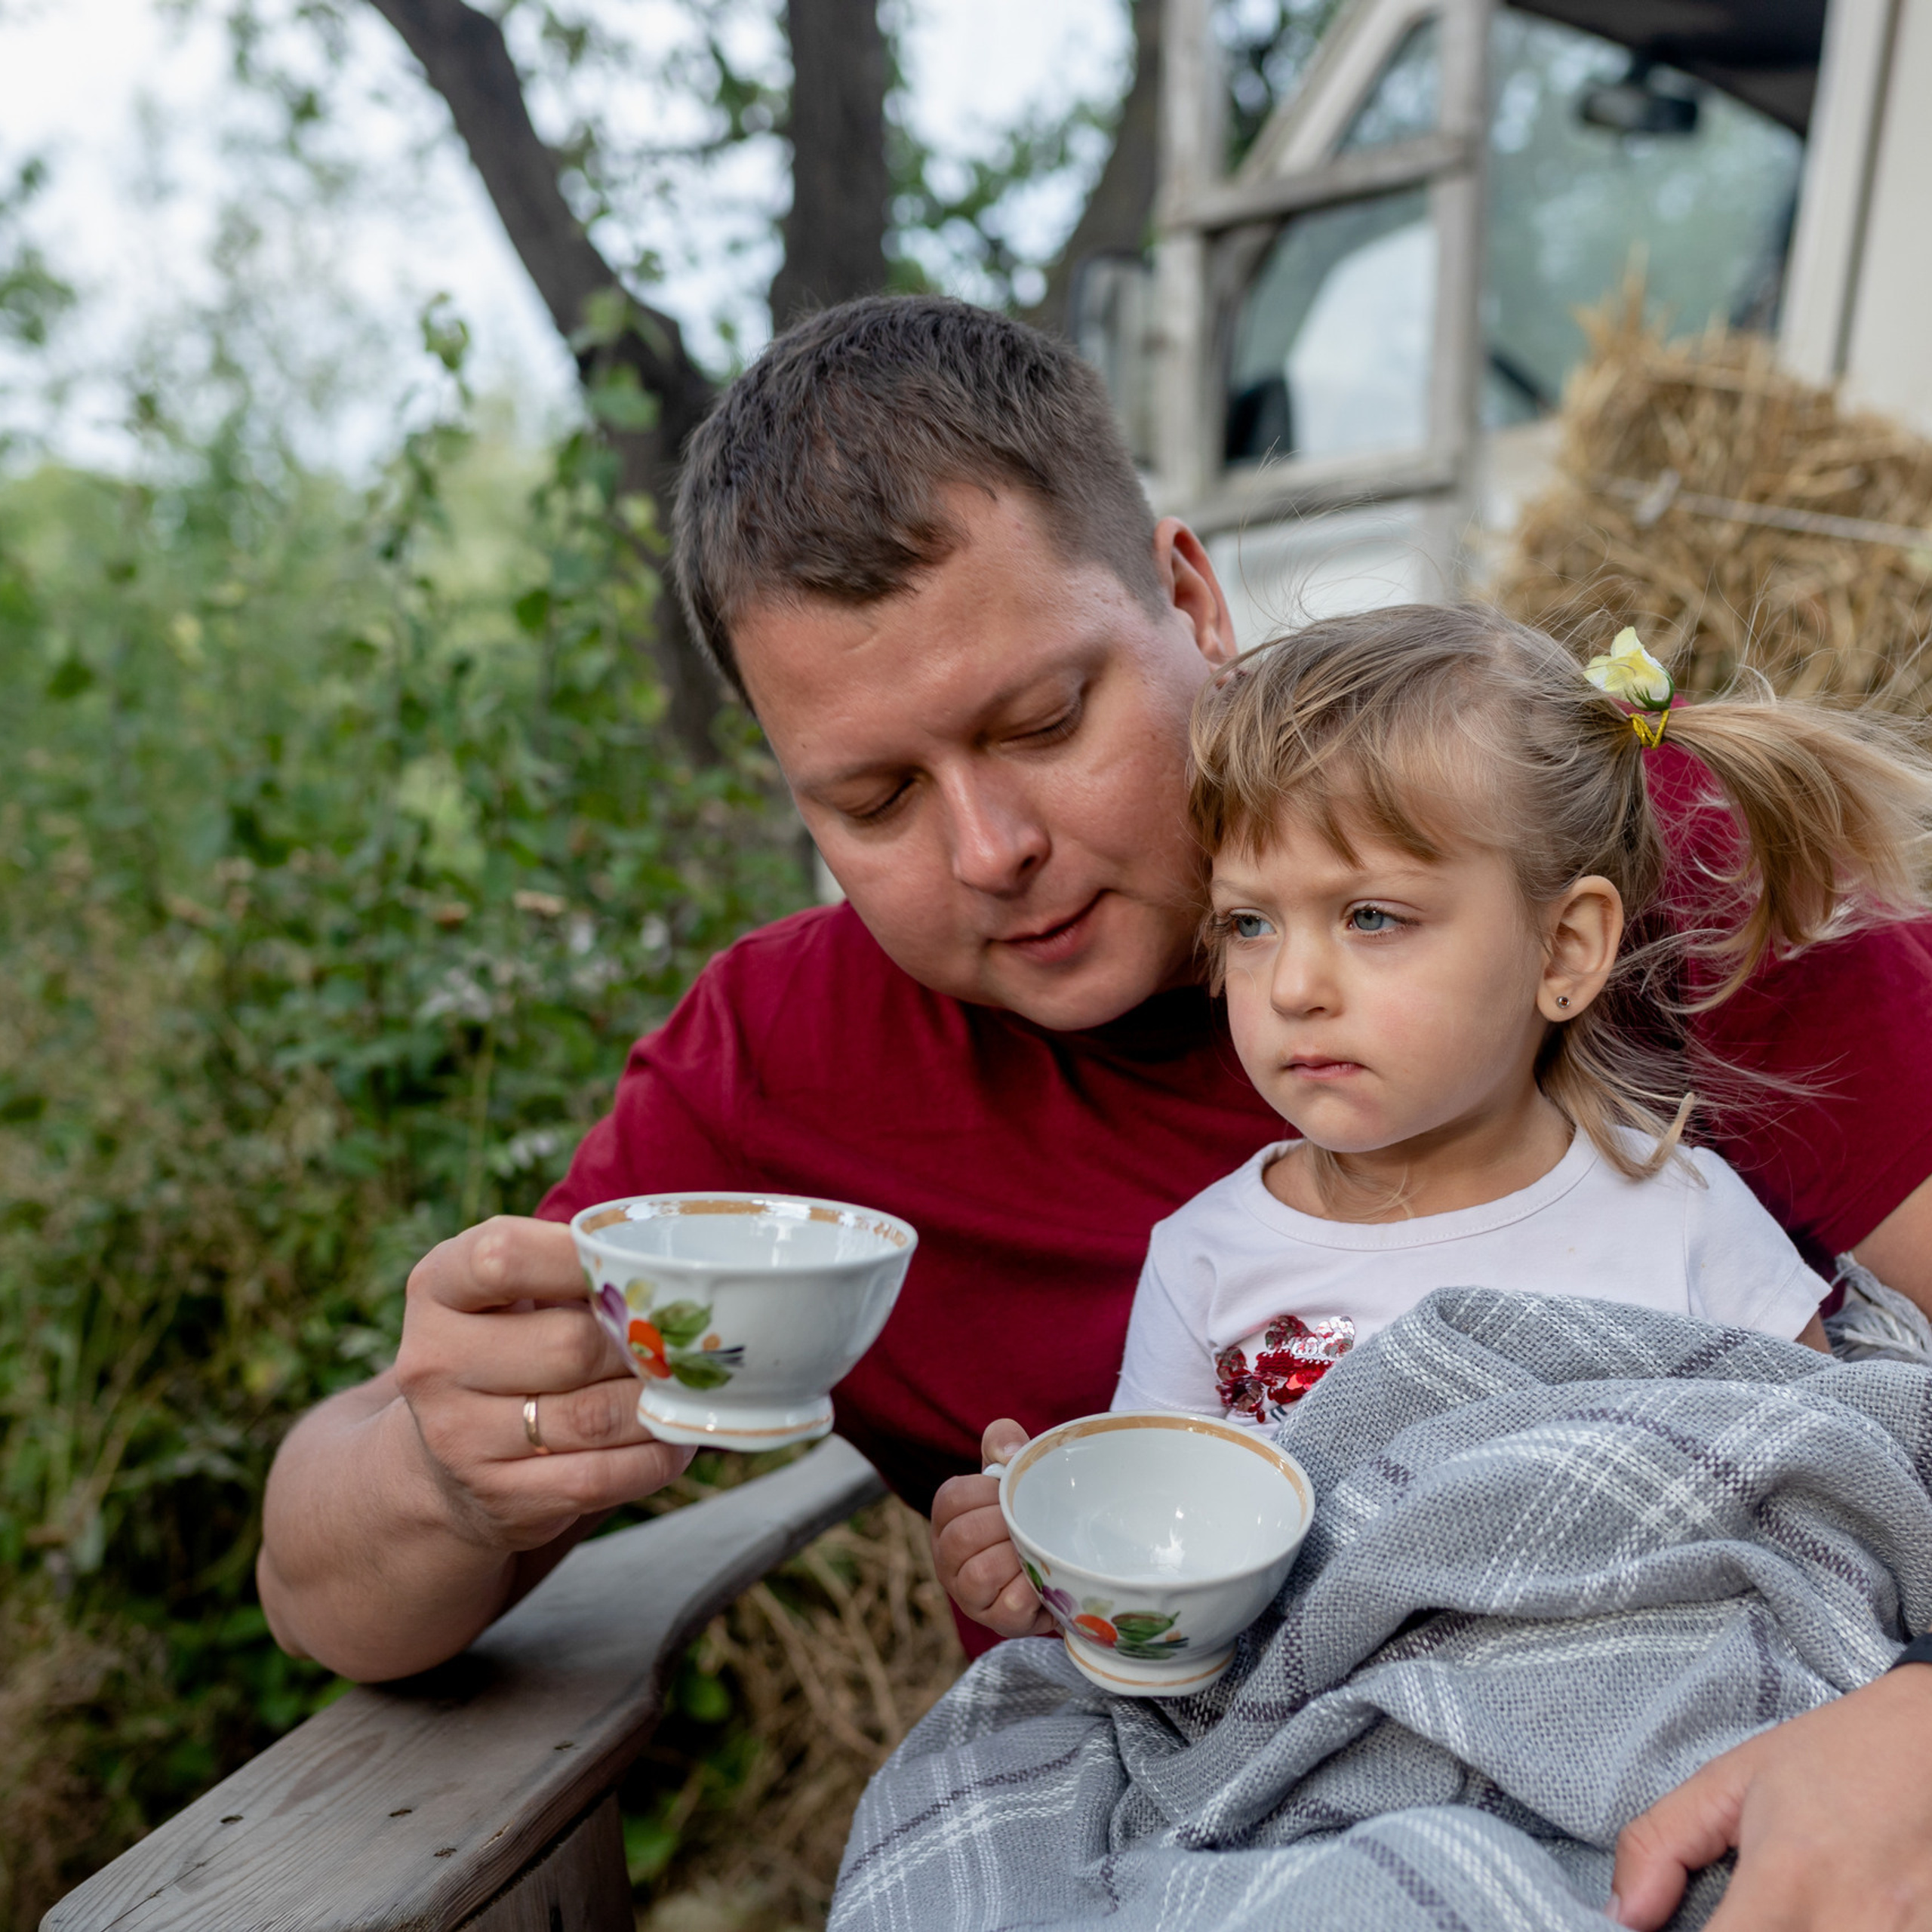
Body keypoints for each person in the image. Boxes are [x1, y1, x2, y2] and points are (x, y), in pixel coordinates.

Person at [255, 295, 1932, 1932]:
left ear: (1189, 599)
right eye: (874, 795)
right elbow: (328, 1589)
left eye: (1046, 719)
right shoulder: (778, 1077)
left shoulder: (1596, 866)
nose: (990, 847)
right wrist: (450, 1464)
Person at [939, 603, 1932, 1640]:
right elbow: (1160, 1565)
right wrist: (1046, 1550)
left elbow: (1839, 1504)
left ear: (1564, 950)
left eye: (1372, 917)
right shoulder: (1207, 1259)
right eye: (1250, 923)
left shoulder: (1683, 1213)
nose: (1293, 987)